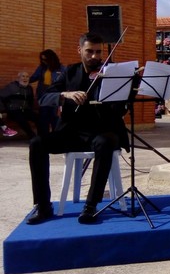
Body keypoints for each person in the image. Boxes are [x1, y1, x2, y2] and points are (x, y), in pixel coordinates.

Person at [27, 32, 132, 225]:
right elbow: (43, 98)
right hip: (72, 132)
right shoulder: (69, 72)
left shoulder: (111, 74)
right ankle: (43, 205)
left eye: (98, 52)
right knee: (37, 143)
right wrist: (65, 94)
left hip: (103, 131)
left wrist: (119, 90)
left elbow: (121, 109)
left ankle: (91, 205)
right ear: (79, 50)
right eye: (89, 51)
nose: (94, 57)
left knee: (104, 142)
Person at [30, 49, 67, 135]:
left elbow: (65, 81)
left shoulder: (61, 68)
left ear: (51, 58)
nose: (44, 61)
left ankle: (55, 137)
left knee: (54, 117)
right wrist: (23, 81)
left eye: (46, 59)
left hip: (55, 95)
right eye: (42, 59)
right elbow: (33, 77)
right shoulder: (41, 68)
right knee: (43, 117)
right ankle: (44, 137)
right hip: (43, 94)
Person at [0, 71, 39, 139]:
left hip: (25, 110)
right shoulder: (11, 87)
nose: (25, 78)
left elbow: (30, 100)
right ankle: (32, 137)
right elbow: (1, 97)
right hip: (13, 110)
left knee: (39, 118)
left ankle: (41, 136)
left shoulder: (29, 88)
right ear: (18, 78)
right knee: (22, 120)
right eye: (23, 76)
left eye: (27, 77)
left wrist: (30, 109)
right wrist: (3, 110)